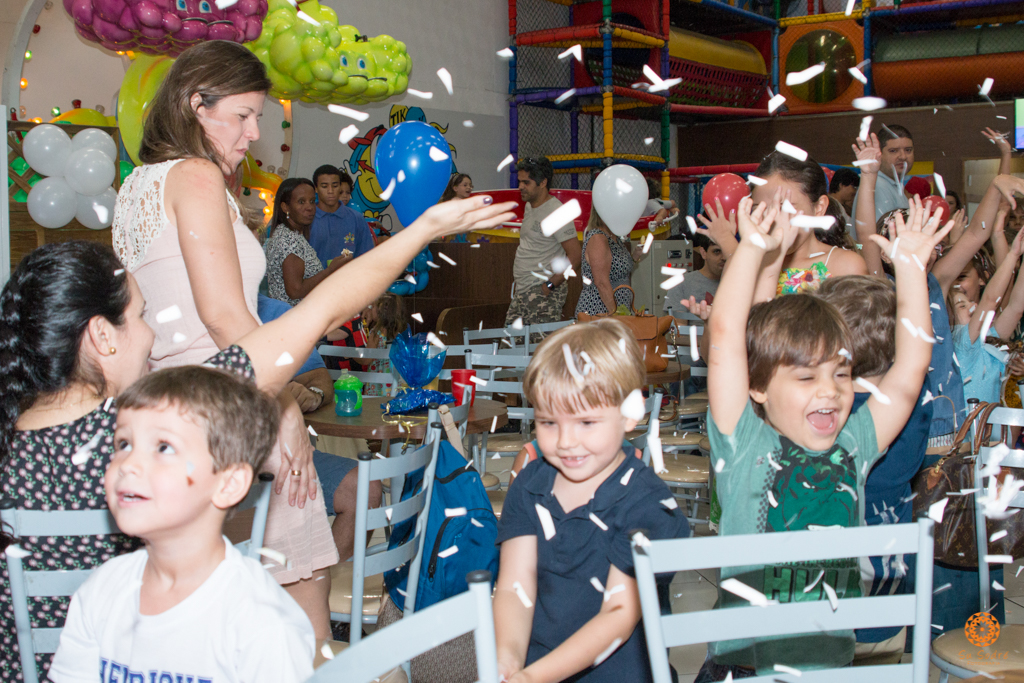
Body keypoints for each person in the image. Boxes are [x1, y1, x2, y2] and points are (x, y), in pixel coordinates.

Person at [0, 194, 516, 681]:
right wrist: (423, 228)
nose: (152, 334)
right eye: (140, 316)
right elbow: (323, 310)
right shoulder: (162, 426)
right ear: (100, 335)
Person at [108, 41, 336, 635]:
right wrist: (285, 411)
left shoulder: (137, 184)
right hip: (228, 402)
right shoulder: (197, 176)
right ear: (194, 105)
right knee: (298, 595)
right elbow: (225, 319)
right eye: (241, 115)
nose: (254, 132)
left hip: (161, 411)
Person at [695, 193, 944, 679]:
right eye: (807, 379)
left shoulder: (854, 444)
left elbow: (911, 367)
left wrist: (911, 268)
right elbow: (726, 335)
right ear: (758, 387)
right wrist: (751, 251)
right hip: (746, 668)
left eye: (841, 375)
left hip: (831, 667)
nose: (829, 391)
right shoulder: (744, 442)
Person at [47, 367, 315, 683]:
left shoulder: (260, 620)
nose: (128, 464)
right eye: (123, 444)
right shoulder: (103, 590)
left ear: (229, 483)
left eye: (163, 447)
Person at [493, 319, 689, 683]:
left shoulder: (647, 503)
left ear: (631, 413)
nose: (566, 441)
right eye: (549, 422)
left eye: (585, 422)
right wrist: (507, 662)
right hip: (536, 668)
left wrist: (534, 678)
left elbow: (619, 612)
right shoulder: (529, 486)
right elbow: (513, 586)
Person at [816, 275, 933, 664]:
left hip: (813, 607)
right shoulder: (912, 406)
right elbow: (913, 368)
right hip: (883, 603)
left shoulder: (822, 414)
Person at [505, 156, 582, 329]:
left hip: (541, 294)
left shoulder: (556, 212)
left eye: (526, 182)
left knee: (538, 351)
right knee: (509, 349)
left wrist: (549, 286)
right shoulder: (529, 206)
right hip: (522, 291)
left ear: (543, 183)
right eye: (520, 182)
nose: (520, 187)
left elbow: (576, 257)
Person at [264, 178, 345, 306]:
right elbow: (295, 291)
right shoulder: (289, 239)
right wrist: (330, 270)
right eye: (301, 202)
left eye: (312, 201)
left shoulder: (286, 233)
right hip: (294, 319)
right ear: (285, 207)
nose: (309, 207)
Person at [850, 124, 913, 240]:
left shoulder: (893, 186)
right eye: (893, 151)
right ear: (879, 154)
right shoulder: (878, 186)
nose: (903, 156)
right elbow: (879, 239)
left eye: (908, 150)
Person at [309, 165, 376, 269]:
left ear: (340, 187)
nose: (330, 191)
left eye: (335, 186)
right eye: (324, 186)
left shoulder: (356, 218)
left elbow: (366, 257)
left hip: (349, 282)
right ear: (316, 189)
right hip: (315, 283)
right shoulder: (307, 218)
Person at [575, 208, 635, 317]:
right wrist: (617, 314)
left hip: (618, 309)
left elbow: (620, 268)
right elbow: (601, 283)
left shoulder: (614, 237)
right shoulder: (598, 238)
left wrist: (636, 256)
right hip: (600, 310)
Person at [357, 293, 408, 398]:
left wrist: (353, 355)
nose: (371, 309)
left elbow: (367, 359)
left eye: (374, 307)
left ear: (380, 312)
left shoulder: (376, 333)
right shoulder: (398, 334)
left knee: (375, 407)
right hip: (393, 382)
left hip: (377, 383)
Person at [664, 232, 723, 313]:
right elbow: (678, 324)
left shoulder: (740, 285)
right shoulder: (681, 284)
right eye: (717, 251)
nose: (723, 257)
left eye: (726, 251)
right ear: (703, 253)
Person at [828, 167, 859, 233]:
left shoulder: (838, 205)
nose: (855, 191)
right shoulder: (832, 205)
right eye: (854, 187)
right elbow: (850, 228)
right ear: (841, 185)